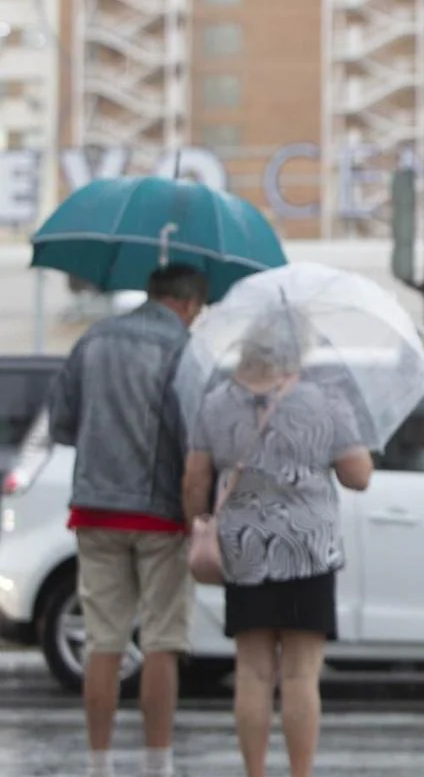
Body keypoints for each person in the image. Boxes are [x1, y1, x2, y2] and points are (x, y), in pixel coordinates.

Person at [181, 309, 374, 777]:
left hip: (244, 550)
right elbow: (358, 475)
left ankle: (255, 773)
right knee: (300, 674)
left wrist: (199, 521)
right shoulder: (326, 400)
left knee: (252, 672)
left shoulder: (216, 402)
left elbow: (195, 479)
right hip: (308, 549)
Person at [47, 264, 208, 777]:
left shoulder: (92, 339)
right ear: (187, 304)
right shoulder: (183, 350)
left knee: (103, 641)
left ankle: (99, 764)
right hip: (161, 517)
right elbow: (196, 440)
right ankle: (157, 764)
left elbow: (62, 424)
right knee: (162, 641)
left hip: (95, 509)